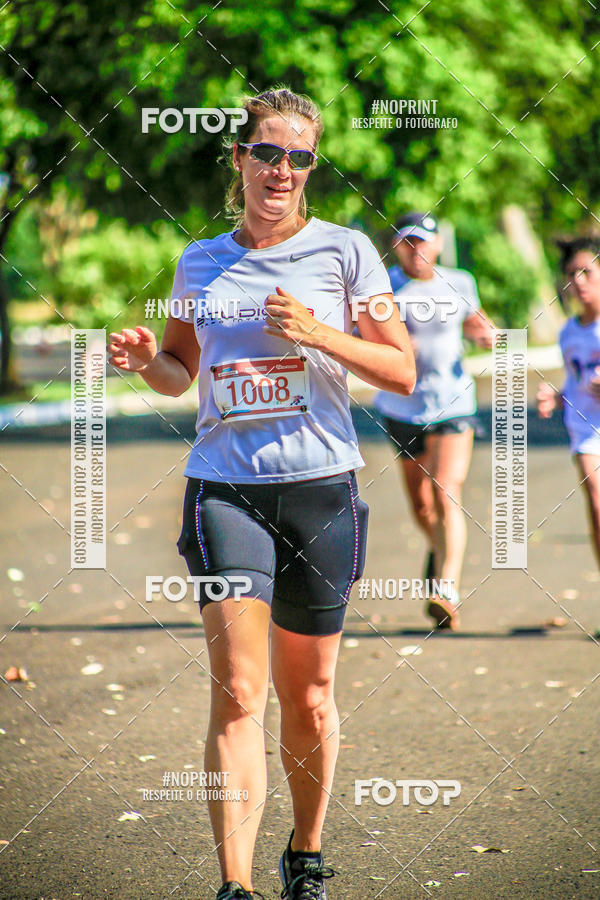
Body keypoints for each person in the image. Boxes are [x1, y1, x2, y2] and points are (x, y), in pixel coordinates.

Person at [108, 87, 415, 900]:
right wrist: (147, 362)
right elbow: (180, 369)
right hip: (225, 494)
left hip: (321, 491)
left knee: (308, 699)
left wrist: (316, 332)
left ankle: (305, 855)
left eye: (300, 157)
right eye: (268, 152)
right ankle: (234, 885)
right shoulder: (199, 261)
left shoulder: (347, 252)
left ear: (312, 167)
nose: (283, 170)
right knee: (239, 690)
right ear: (239, 157)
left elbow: (401, 367)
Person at [373, 212, 495, 631]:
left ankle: (446, 586)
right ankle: (441, 551)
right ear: (396, 248)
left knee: (445, 490)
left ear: (437, 244)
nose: (416, 250)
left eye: (423, 241)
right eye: (407, 242)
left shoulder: (459, 282)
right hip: (402, 407)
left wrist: (486, 335)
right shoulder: (383, 285)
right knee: (421, 503)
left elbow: (477, 323)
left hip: (454, 403)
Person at [537, 236, 600, 637]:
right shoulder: (568, 333)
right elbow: (576, 382)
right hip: (587, 429)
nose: (578, 281)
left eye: (587, 271)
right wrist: (556, 396)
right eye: (571, 274)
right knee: (597, 505)